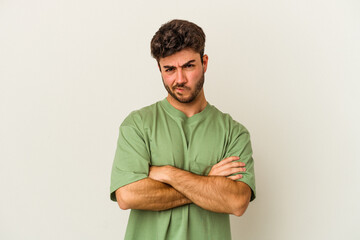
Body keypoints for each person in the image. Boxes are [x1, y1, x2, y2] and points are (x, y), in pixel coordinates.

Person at [110, 19, 256, 240]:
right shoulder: (137, 125)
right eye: (169, 69)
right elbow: (128, 196)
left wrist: (166, 173)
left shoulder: (234, 133)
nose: (180, 79)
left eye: (189, 66)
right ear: (159, 68)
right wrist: (207, 181)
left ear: (204, 63)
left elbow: (236, 202)